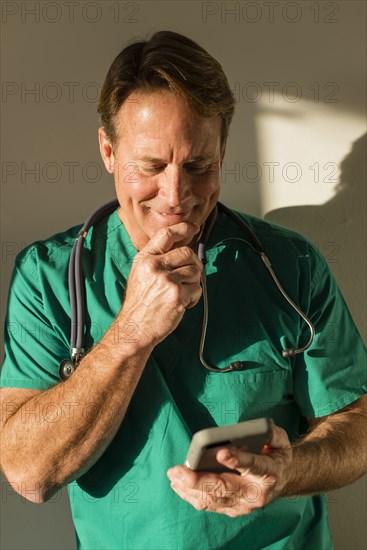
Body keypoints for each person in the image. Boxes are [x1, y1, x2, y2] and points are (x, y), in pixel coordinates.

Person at [1, 30, 366, 550]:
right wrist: (131, 334)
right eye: (150, 167)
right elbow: (29, 475)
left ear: (224, 149)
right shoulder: (48, 278)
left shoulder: (291, 265)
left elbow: (356, 423)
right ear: (108, 150)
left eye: (199, 166)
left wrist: (292, 471)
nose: (177, 196)